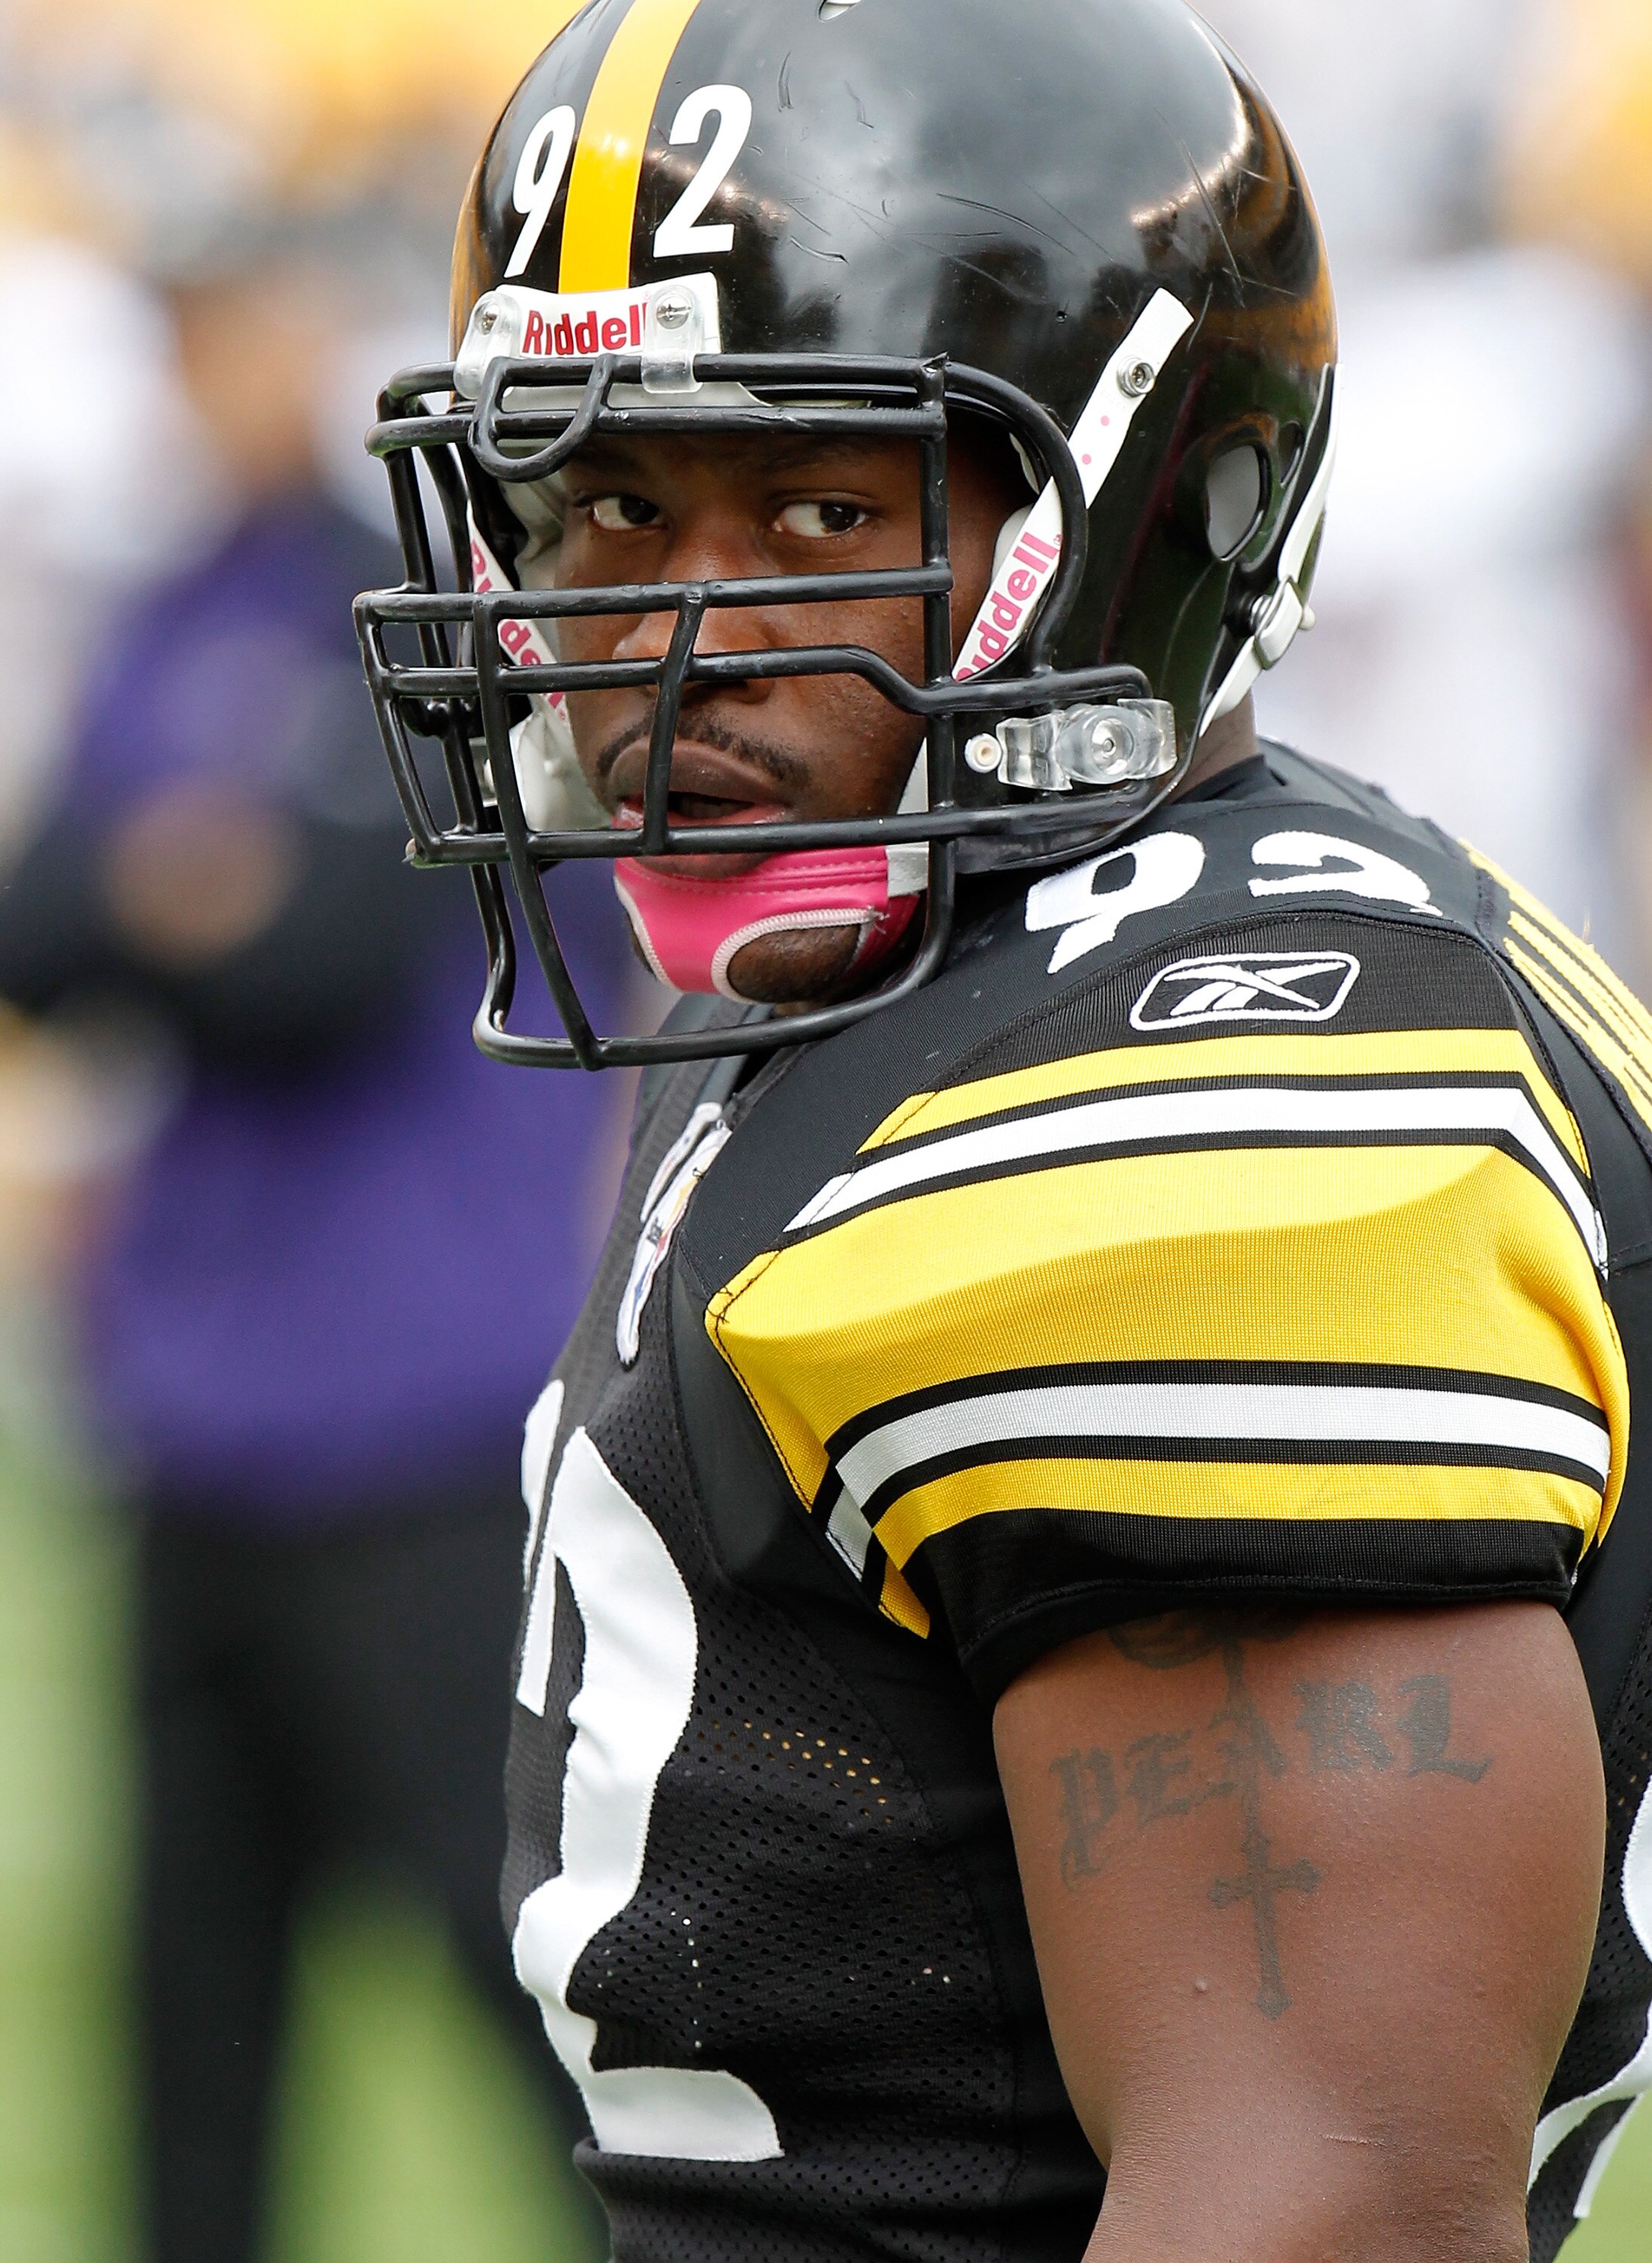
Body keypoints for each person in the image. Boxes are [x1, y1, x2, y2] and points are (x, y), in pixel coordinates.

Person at [355, 0, 1652, 2255]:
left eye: (824, 508)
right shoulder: (969, 965)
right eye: (607, 502)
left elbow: (1324, 2203)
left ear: (1167, 498)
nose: (672, 635)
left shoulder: (1205, 1107)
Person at [0, 237, 618, 2261]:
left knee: (530, 1988)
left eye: (235, 312)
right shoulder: (179, 598)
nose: (208, 364)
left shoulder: (433, 615)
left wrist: (182, 898)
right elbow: (43, 918)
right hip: (195, 1423)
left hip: (420, 1424)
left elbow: (319, 955)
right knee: (189, 2035)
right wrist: (174, 888)